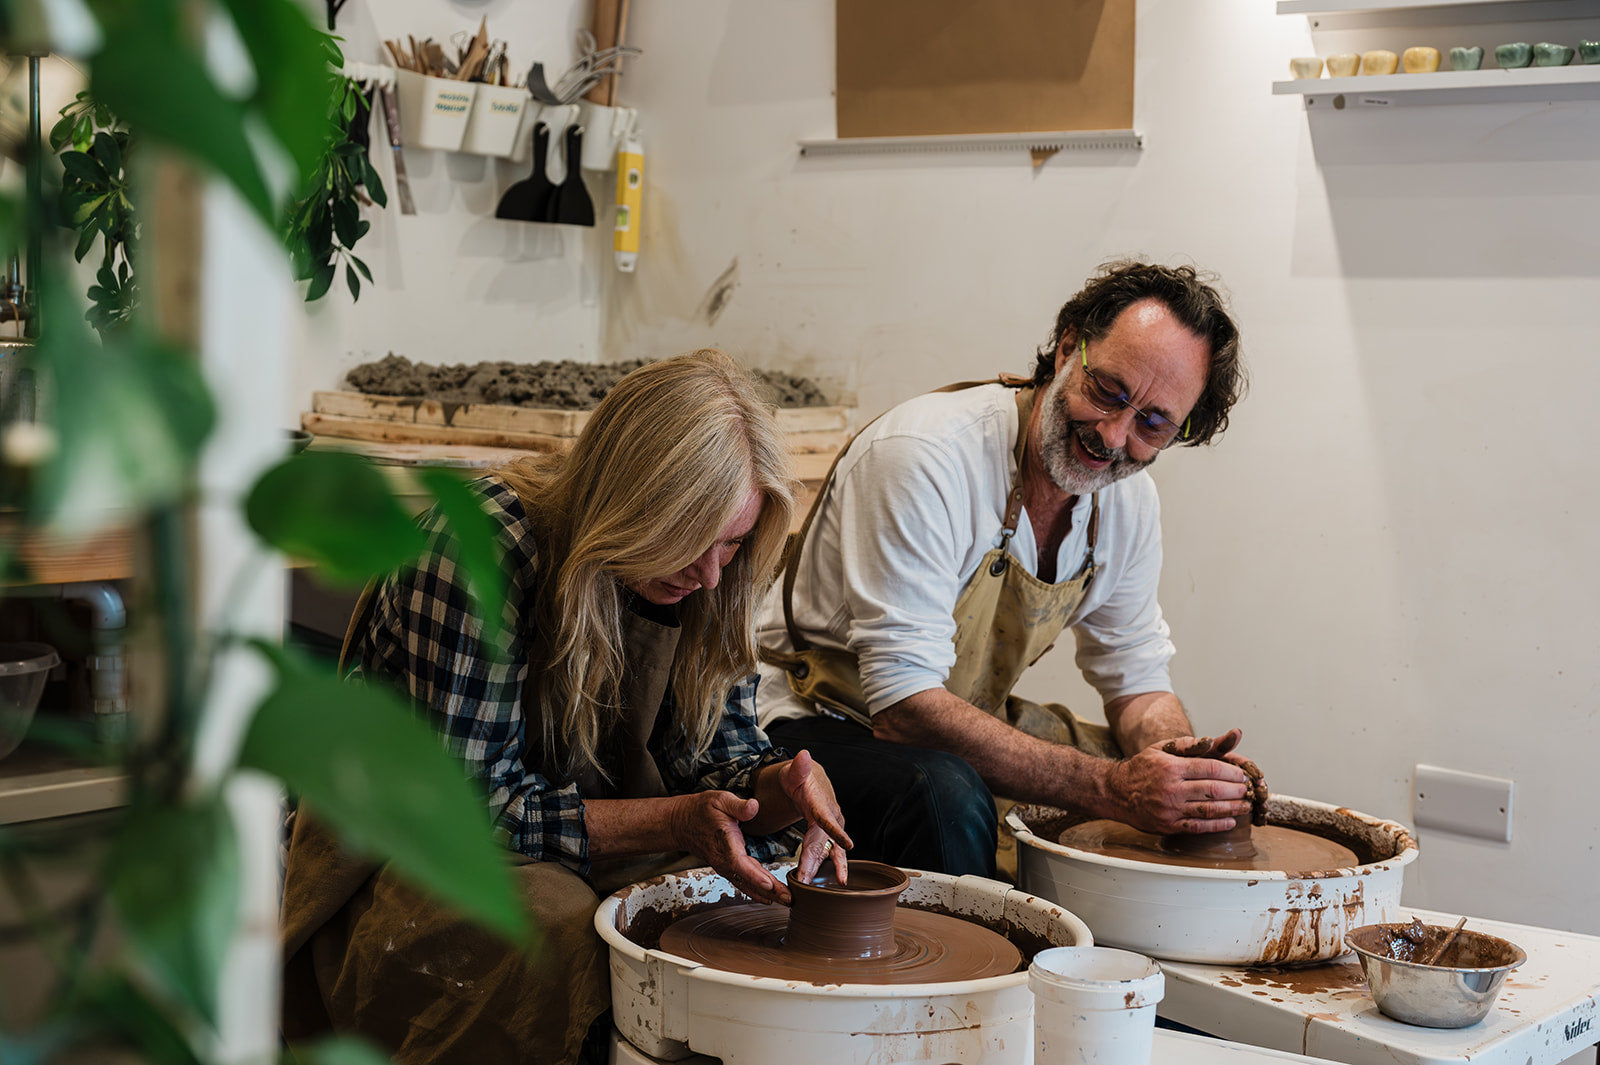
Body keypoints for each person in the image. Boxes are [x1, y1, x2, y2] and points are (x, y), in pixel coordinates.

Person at [280, 349, 852, 1065]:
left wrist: (778, 793)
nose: (711, 573)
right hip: (400, 848)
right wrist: (676, 819)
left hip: (578, 834)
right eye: (688, 539)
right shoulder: (479, 547)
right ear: (630, 502)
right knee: (557, 926)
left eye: (732, 542)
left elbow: (718, 755)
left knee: (743, 911)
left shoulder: (716, 577)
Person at [756, 260, 1256, 879]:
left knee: (1158, 781)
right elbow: (904, 707)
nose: (1112, 435)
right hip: (812, 724)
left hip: (952, 714)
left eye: (1152, 423)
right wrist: (1113, 789)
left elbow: (1137, 678)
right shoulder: (927, 457)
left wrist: (1187, 772)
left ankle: (1097, 967)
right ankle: (980, 966)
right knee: (946, 795)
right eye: (1107, 392)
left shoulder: (1127, 502)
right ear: (1069, 349)